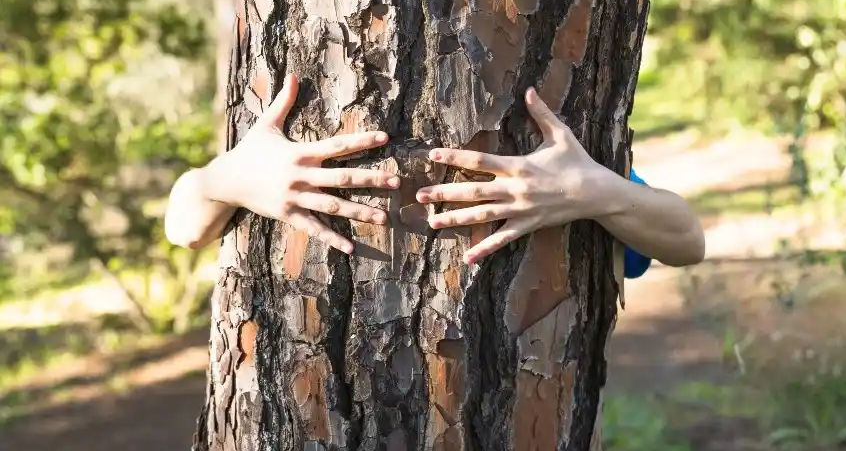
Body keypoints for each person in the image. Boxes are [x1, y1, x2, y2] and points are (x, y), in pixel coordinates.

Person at [165, 74, 705, 276]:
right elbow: (184, 226)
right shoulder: (255, 165)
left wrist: (591, 189)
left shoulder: (571, 169)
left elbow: (686, 241)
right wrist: (226, 180)